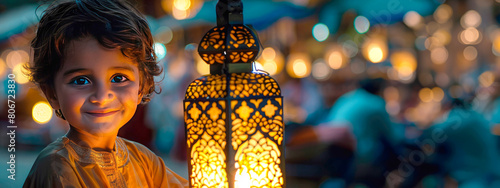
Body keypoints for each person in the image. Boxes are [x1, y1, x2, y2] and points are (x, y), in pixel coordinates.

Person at [23, 0, 188, 187]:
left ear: (142, 86)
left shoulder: (144, 161)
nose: (101, 96)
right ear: (52, 93)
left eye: (118, 78)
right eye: (81, 80)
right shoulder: (57, 167)